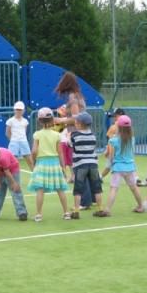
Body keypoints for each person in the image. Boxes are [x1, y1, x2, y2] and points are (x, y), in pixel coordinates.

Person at [53, 71, 94, 208]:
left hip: (77, 134)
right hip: (84, 133)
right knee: (89, 166)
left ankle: (85, 201)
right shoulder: (79, 95)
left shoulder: (72, 97)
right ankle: (94, 197)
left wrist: (61, 119)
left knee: (79, 168)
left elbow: (77, 118)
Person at [28, 107, 70, 222]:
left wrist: (34, 161)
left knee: (40, 190)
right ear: (52, 119)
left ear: (39, 120)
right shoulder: (57, 135)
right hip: (55, 163)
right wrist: (63, 167)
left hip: (42, 163)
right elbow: (60, 152)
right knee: (60, 189)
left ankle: (38, 214)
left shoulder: (37, 134)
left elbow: (34, 151)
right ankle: (66, 212)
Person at [69, 112, 106, 219]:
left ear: (79, 124)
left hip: (80, 165)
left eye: (76, 121)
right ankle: (100, 209)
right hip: (93, 164)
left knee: (78, 189)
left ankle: (76, 211)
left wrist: (69, 136)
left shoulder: (74, 135)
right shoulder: (93, 136)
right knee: (97, 188)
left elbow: (70, 144)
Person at [103, 115, 143, 216]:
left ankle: (107, 209)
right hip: (130, 167)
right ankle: (141, 206)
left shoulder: (113, 140)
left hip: (118, 168)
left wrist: (111, 164)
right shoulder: (132, 139)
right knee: (134, 188)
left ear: (119, 127)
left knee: (114, 188)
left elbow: (111, 156)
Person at [6, 101, 34, 171]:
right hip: (14, 142)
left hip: (24, 141)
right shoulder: (10, 121)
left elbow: (25, 131)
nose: (18, 111)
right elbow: (7, 132)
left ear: (23, 111)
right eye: (17, 109)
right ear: (14, 110)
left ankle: (35, 174)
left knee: (29, 159)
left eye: (20, 110)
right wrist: (12, 140)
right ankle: (12, 175)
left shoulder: (25, 121)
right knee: (12, 160)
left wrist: (22, 139)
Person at [102, 107, 125, 178]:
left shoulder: (126, 127)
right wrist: (107, 150)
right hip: (114, 150)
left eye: (116, 116)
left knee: (126, 164)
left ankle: (135, 178)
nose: (114, 118)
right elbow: (110, 141)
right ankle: (100, 177)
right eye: (114, 116)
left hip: (121, 150)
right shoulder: (113, 127)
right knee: (108, 166)